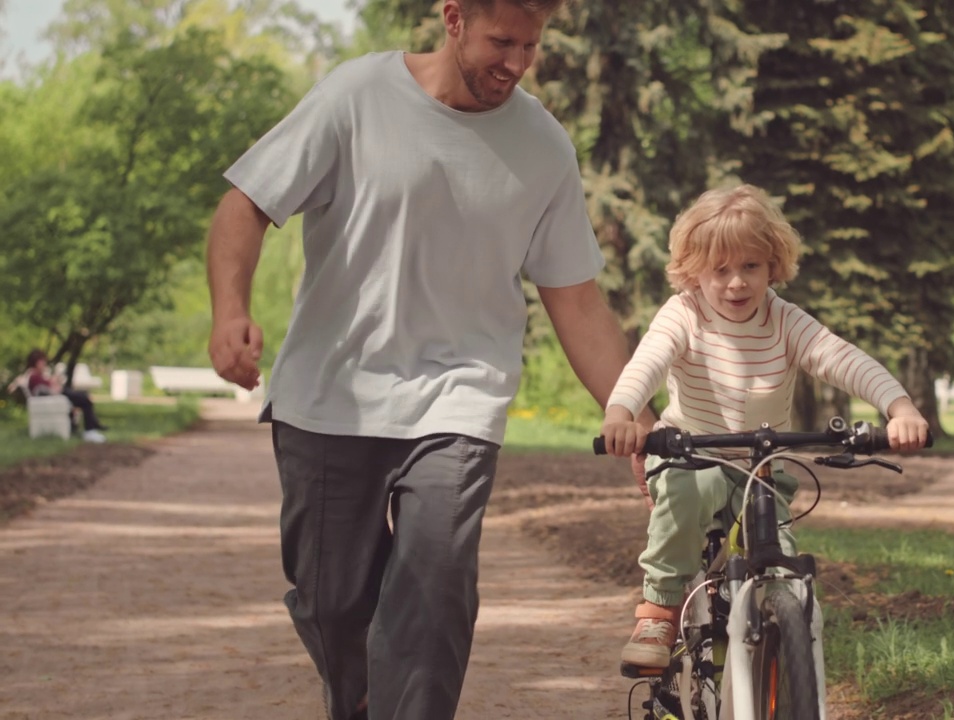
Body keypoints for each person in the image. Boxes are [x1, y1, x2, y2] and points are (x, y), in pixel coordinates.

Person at [204, 1, 653, 717]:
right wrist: (230, 311)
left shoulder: (542, 145)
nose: (516, 63)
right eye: (501, 41)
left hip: (459, 396)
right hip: (331, 394)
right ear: (452, 18)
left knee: (435, 588)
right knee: (331, 602)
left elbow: (577, 300)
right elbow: (246, 203)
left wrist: (631, 407)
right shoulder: (356, 97)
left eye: (531, 46)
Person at [598, 184, 932, 668]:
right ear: (694, 272)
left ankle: (782, 655)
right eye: (720, 270)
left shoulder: (783, 320)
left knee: (782, 568)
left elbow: (843, 360)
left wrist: (899, 408)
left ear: (772, 265)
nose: (736, 283)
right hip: (690, 456)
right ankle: (660, 608)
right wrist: (621, 414)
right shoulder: (684, 315)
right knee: (693, 492)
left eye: (750, 266)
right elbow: (645, 364)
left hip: (762, 467)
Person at [15, 350, 107, 443]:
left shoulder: (36, 375)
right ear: (36, 362)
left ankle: (92, 426)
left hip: (56, 397)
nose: (44, 364)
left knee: (85, 397)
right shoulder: (34, 376)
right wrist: (54, 382)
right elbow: (50, 388)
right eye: (42, 362)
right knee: (84, 398)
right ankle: (90, 430)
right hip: (57, 397)